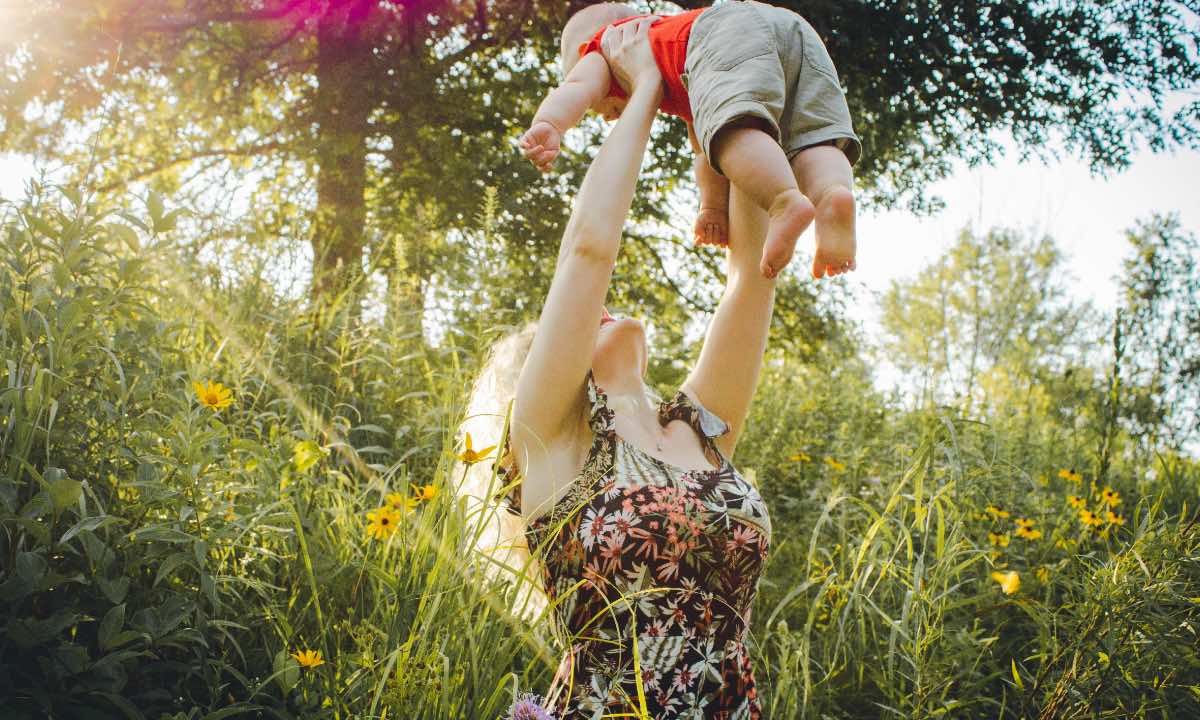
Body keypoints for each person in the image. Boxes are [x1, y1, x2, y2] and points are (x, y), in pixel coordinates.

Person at [458, 20, 774, 718]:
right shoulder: (552, 441)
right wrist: (645, 93)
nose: (595, 312)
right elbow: (589, 252)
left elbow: (753, 275)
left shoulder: (699, 432)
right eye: (571, 327)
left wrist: (724, 97)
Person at [519, 0, 862, 281]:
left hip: (725, 30)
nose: (608, 115)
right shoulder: (682, 59)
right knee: (812, 137)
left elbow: (577, 88)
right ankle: (831, 196)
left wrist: (550, 123)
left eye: (600, 108)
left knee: (733, 134)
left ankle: (785, 201)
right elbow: (705, 148)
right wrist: (712, 208)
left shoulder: (606, 48)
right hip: (792, 29)